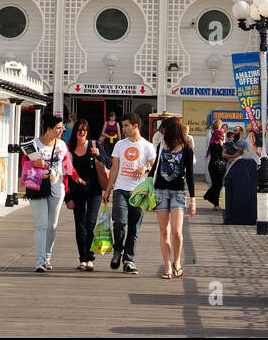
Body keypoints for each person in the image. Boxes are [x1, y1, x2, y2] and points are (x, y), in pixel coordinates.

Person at [102, 113, 156, 274]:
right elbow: (114, 169)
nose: (123, 129)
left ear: (135, 126)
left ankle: (129, 260)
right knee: (119, 222)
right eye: (123, 126)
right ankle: (118, 250)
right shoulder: (120, 145)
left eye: (126, 126)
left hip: (139, 192)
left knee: (134, 228)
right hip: (121, 189)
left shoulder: (147, 146)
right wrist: (108, 190)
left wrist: (145, 167)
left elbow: (154, 167)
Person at [24, 117, 71, 272]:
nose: (61, 131)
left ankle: (47, 256)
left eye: (61, 128)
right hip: (38, 187)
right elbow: (24, 164)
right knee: (41, 224)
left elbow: (67, 166)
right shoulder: (33, 145)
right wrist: (33, 163)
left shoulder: (62, 146)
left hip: (57, 188)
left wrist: (77, 180)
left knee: (52, 226)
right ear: (48, 129)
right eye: (58, 128)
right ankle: (40, 260)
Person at [153, 117, 196, 279]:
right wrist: (146, 185)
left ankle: (177, 262)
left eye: (164, 130)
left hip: (178, 192)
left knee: (177, 232)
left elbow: (190, 176)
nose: (162, 132)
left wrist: (193, 200)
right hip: (161, 191)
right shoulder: (161, 147)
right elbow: (155, 169)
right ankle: (167, 266)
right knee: (164, 231)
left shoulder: (186, 149)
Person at [65, 117, 108, 271]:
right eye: (79, 130)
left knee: (90, 223)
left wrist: (99, 155)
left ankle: (90, 257)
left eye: (84, 130)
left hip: (94, 190)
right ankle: (82, 258)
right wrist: (67, 197)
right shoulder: (68, 149)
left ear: (87, 132)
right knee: (80, 225)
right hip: (76, 191)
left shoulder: (95, 145)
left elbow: (108, 163)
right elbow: (64, 174)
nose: (81, 133)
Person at [203, 118, 227, 211]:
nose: (223, 137)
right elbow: (221, 155)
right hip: (216, 166)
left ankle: (214, 202)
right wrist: (222, 146)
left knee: (217, 185)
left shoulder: (212, 141)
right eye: (222, 136)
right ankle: (212, 200)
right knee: (217, 185)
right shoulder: (215, 145)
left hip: (214, 165)